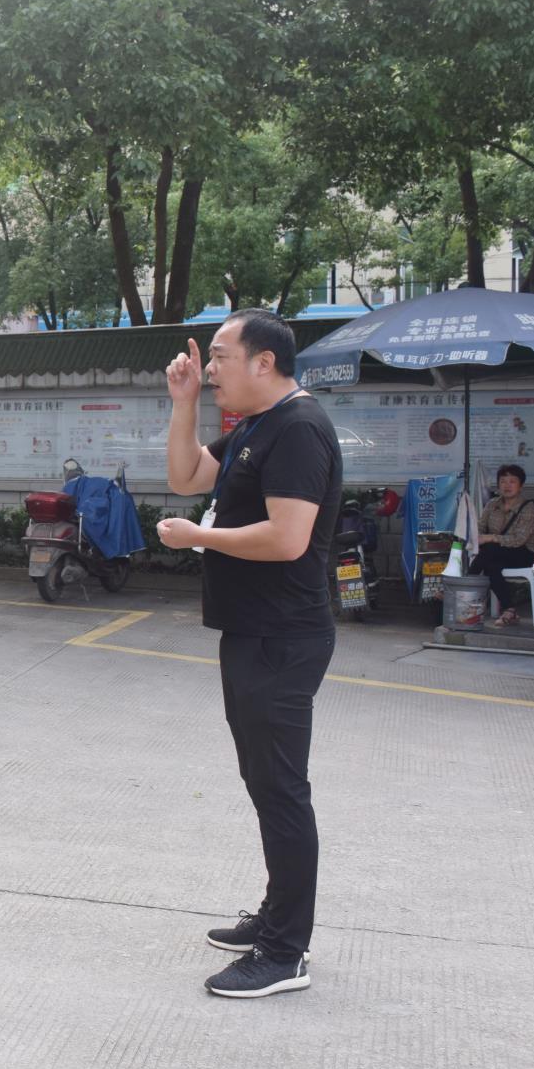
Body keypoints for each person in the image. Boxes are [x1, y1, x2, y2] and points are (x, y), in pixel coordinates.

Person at [156, 309, 342, 1000]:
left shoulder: (298, 427)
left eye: (220, 357)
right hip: (254, 631)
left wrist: (199, 539)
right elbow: (187, 476)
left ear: (265, 362)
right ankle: (275, 917)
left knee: (282, 789)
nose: (209, 368)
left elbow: (289, 538)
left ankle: (285, 952)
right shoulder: (257, 427)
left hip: (282, 635)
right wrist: (184, 404)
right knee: (265, 783)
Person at [470, 464, 534, 626]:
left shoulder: (529, 509)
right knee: (491, 565)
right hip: (497, 552)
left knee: (489, 550)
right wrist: (478, 537)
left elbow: (519, 540)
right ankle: (509, 609)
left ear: (521, 486)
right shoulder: (492, 505)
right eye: (503, 481)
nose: (507, 486)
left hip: (525, 553)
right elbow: (480, 528)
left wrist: (491, 538)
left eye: (512, 481)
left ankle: (466, 585)